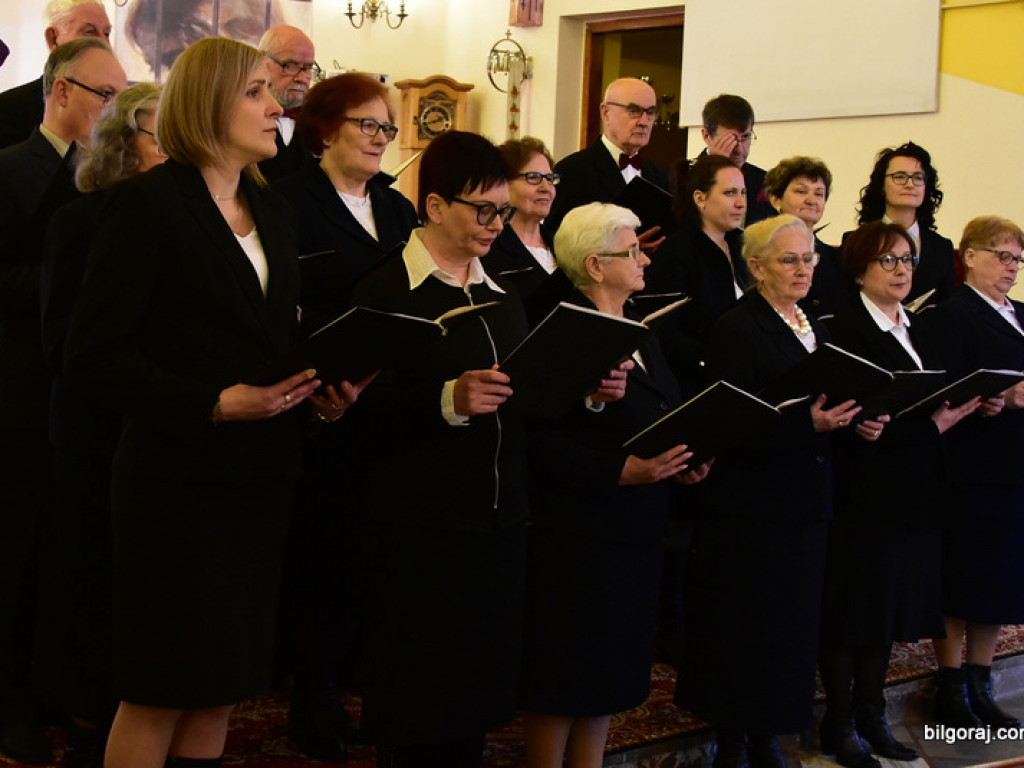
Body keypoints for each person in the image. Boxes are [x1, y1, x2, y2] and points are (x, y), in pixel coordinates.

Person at [63, 37, 367, 768]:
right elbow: (93, 359)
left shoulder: (273, 210)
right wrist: (212, 403)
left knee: (221, 687)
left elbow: (263, 340)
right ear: (208, 104)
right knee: (159, 687)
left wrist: (319, 391)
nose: (278, 106)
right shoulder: (145, 206)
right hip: (175, 483)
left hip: (261, 478)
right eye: (259, 91)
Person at [348, 129, 529, 768]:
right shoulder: (385, 293)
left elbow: (525, 401)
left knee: (474, 704)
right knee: (419, 706)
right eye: (483, 210)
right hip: (419, 533)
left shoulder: (505, 293)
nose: (495, 225)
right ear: (432, 207)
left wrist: (589, 391)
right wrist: (444, 400)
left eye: (503, 211)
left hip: (496, 524)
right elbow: (349, 412)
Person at [519, 201, 711, 768]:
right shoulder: (567, 328)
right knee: (565, 672)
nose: (644, 258)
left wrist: (689, 458)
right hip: (578, 532)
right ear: (595, 266)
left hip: (636, 526)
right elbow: (534, 435)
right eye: (631, 250)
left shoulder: (638, 329)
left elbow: (666, 411)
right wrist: (617, 471)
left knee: (610, 671)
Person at [675, 214, 866, 768]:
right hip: (752, 506)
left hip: (808, 500)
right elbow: (731, 424)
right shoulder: (737, 327)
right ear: (755, 266)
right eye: (789, 259)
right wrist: (809, 425)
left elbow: (826, 401)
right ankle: (735, 740)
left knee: (791, 629)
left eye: (809, 258)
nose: (804, 268)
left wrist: (858, 416)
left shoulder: (815, 325)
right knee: (747, 627)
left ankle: (768, 735)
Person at [271, 70, 417, 759]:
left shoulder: (394, 209)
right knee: (320, 554)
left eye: (388, 129)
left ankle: (345, 680)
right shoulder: (289, 200)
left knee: (369, 552)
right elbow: (286, 305)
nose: (381, 140)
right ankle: (310, 693)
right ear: (327, 128)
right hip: (319, 400)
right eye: (369, 125)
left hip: (386, 402)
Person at [0, 36, 126, 764]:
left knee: (68, 554)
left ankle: (60, 689)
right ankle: (10, 703)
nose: (112, 110)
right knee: (16, 553)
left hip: (82, 397)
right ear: (61, 92)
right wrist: (68, 289)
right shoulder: (12, 169)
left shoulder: (107, 182)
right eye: (104, 96)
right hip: (18, 391)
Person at [818, 221, 980, 768]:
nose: (903, 270)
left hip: (915, 490)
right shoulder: (844, 329)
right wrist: (935, 424)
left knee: (886, 614)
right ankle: (837, 724)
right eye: (889, 261)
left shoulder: (918, 328)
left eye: (908, 261)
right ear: (860, 268)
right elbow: (862, 419)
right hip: (865, 493)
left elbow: (926, 398)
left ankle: (871, 718)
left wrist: (961, 407)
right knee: (853, 613)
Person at [36, 81, 164, 768]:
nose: (171, 148)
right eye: (157, 134)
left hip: (161, 428)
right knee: (93, 578)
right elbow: (62, 344)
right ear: (123, 145)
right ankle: (91, 718)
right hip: (94, 428)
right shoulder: (79, 221)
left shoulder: (184, 220)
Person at [926, 216, 1024, 729]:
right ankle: (950, 684)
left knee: (1002, 578)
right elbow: (944, 383)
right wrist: (998, 396)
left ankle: (982, 679)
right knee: (965, 573)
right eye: (1001, 255)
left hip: (1015, 462)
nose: (1011, 267)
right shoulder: (954, 314)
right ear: (968, 255)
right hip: (974, 462)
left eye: (1016, 258)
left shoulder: (1021, 314)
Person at [642, 153, 751, 392]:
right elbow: (666, 331)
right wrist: (713, 361)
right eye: (730, 193)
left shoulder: (741, 246)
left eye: (743, 192)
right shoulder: (677, 251)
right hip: (698, 382)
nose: (741, 203)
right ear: (700, 199)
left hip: (739, 375)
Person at [546, 77, 668, 252]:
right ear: (605, 112)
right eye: (634, 111)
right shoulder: (573, 170)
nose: (643, 121)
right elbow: (555, 238)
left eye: (650, 112)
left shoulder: (659, 176)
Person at [849, 141, 955, 307]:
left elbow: (948, 307)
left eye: (918, 178)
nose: (909, 184)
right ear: (882, 186)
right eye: (899, 177)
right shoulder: (854, 241)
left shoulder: (942, 248)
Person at [0, 0, 112, 149]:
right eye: (89, 32)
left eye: (106, 33)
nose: (103, 43)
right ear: (53, 38)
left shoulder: (115, 110)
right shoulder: (11, 110)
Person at [485, 136, 563, 317]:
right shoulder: (490, 248)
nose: (546, 187)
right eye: (533, 178)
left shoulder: (563, 247)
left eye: (550, 179)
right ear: (503, 184)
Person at [764, 156, 849, 318]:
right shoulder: (761, 253)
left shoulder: (838, 259)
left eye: (819, 194)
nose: (811, 200)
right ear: (775, 199)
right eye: (801, 191)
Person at [256, 24, 319, 182]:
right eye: (289, 66)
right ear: (261, 61)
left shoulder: (320, 122)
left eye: (308, 68)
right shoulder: (240, 119)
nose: (301, 78)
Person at [698, 94, 772, 226]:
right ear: (707, 135)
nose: (739, 149)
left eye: (745, 137)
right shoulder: (682, 176)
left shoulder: (765, 181)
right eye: (730, 139)